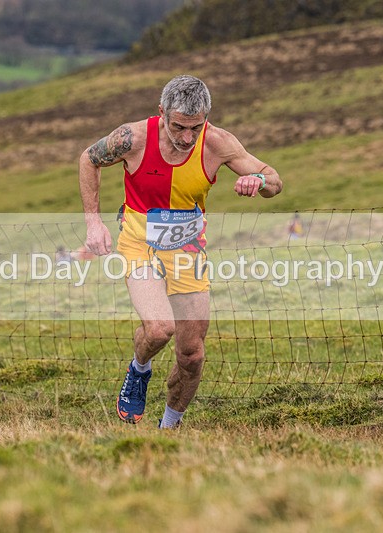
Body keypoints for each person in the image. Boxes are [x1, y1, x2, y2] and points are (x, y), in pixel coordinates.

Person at [78, 75, 282, 428]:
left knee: (192, 354)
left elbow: (274, 180)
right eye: (179, 127)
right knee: (159, 329)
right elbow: (89, 159)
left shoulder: (218, 143)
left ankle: (169, 429)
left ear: (206, 118)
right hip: (139, 241)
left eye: (195, 128)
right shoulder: (133, 138)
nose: (187, 138)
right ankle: (139, 369)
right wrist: (93, 223)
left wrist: (259, 181)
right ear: (162, 112)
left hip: (187, 250)